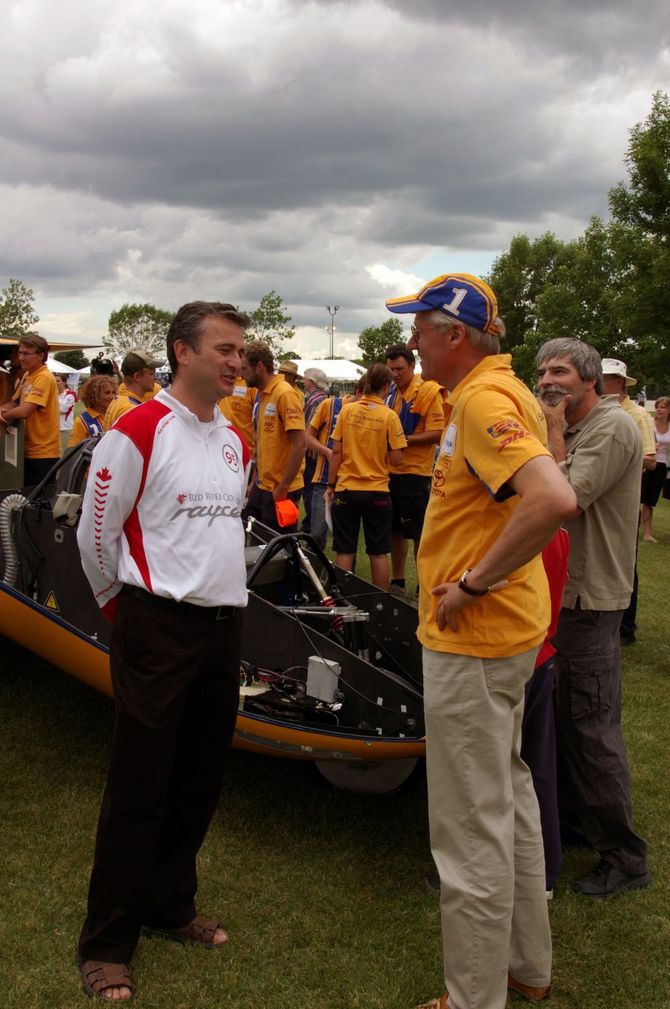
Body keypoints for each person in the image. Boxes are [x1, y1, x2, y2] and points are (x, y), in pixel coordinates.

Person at [385, 273, 577, 1009]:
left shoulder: (484, 398)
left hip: (477, 638)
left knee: (470, 827)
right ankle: (526, 967)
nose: (412, 343)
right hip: (505, 638)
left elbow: (553, 499)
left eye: (420, 330)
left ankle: (473, 998)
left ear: (454, 335)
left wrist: (472, 583)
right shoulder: (499, 391)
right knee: (510, 799)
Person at [75, 301, 251, 1002]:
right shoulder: (139, 427)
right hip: (156, 624)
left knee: (199, 778)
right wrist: (124, 611)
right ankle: (107, 942)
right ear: (184, 351)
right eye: (226, 349)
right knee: (138, 784)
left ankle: (170, 905)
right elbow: (97, 533)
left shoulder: (235, 437)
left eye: (242, 351)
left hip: (222, 627)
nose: (238, 361)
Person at [536, 337, 651, 899]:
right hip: (562, 596)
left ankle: (625, 857)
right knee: (563, 719)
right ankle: (579, 825)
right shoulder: (577, 427)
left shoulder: (611, 427)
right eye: (541, 371)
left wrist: (551, 431)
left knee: (590, 724)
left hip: (589, 597)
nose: (546, 380)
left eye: (559, 371)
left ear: (589, 381)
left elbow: (563, 497)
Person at [325, 364, 406, 590]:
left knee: (345, 550)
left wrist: (331, 485)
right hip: (377, 491)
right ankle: (380, 605)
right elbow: (398, 459)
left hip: (346, 490)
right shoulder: (390, 416)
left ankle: (343, 597)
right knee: (378, 552)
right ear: (386, 387)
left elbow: (336, 452)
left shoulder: (347, 411)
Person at [601, 358, 656, 645]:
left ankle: (626, 628)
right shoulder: (595, 412)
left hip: (622, 502)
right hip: (600, 499)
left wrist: (616, 458)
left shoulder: (637, 416)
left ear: (620, 383)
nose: (599, 382)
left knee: (624, 562)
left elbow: (650, 460)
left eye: (606, 378)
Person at [384, 344, 444, 595]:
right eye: (391, 370)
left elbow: (438, 432)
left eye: (399, 369)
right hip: (391, 472)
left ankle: (424, 583)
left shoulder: (429, 390)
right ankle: (398, 580)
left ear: (412, 366)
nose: (395, 374)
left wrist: (403, 439)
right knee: (395, 530)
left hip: (415, 473)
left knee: (419, 532)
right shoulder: (392, 392)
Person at [241, 341, 306, 533]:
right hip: (264, 485)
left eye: (245, 368)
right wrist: (255, 480)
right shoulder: (263, 394)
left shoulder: (284, 393)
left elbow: (300, 444)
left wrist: (283, 486)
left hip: (281, 489)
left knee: (279, 550)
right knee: (250, 533)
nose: (241, 374)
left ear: (259, 366)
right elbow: (265, 444)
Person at [0, 333, 60, 486]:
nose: (21, 357)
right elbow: (14, 403)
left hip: (42, 453)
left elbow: (24, 411)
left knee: (37, 504)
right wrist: (2, 410)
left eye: (26, 353)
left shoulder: (44, 377)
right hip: (26, 449)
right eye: (20, 353)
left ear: (41, 355)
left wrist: (3, 416)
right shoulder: (28, 375)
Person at [104, 349, 165, 429]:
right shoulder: (130, 409)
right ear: (137, 377)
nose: (155, 378)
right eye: (151, 374)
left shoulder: (120, 400)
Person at [301, 367, 330, 533]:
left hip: (313, 453)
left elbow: (310, 428)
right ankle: (311, 523)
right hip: (317, 451)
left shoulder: (315, 401)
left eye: (305, 378)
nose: (303, 381)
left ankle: (312, 525)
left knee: (311, 492)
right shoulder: (319, 398)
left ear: (311, 381)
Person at [641, 395, 670, 541]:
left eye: (663, 407)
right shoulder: (649, 423)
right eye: (658, 407)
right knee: (637, 497)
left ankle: (648, 533)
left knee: (650, 500)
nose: (659, 409)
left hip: (662, 465)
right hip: (645, 463)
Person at [67, 375, 118, 447]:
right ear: (94, 395)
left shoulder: (116, 416)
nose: (112, 396)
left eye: (113, 392)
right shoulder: (82, 421)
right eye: (107, 393)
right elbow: (74, 451)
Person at [55, 374, 78, 452]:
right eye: (54, 381)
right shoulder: (55, 394)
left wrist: (52, 406)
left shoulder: (70, 394)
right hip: (55, 427)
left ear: (64, 382)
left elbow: (62, 410)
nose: (56, 383)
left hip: (65, 428)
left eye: (58, 381)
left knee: (66, 452)